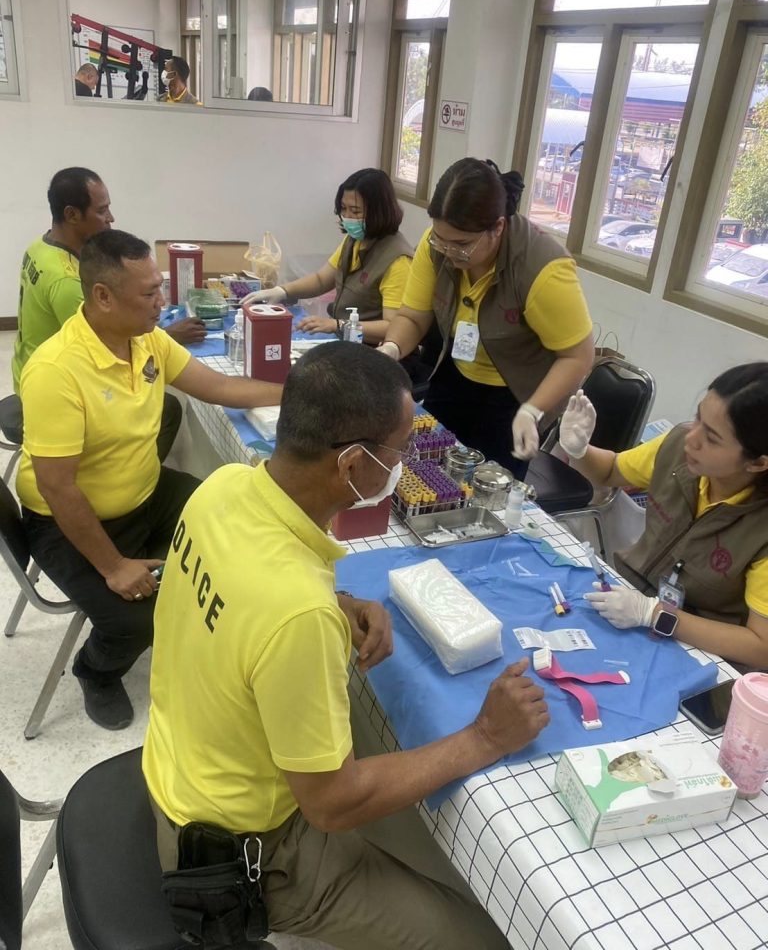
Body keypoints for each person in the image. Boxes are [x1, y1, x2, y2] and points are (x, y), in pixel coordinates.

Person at [143, 341, 548, 950]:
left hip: (178, 770)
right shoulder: (296, 614)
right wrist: (485, 736)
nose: (404, 462)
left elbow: (244, 592)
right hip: (240, 858)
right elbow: (331, 805)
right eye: (400, 449)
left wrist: (339, 603)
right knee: (481, 937)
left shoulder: (224, 486)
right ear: (354, 464)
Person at [17, 230, 283, 730]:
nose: (162, 301)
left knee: (226, 511)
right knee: (134, 619)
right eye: (150, 293)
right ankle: (96, 671)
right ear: (103, 296)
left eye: (160, 287)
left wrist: (297, 394)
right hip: (67, 521)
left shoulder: (146, 340)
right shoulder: (56, 370)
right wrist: (114, 565)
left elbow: (218, 386)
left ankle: (209, 625)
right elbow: (58, 487)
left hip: (143, 493)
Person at [379, 158, 594, 478]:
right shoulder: (436, 245)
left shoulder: (543, 268)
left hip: (515, 394)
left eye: (462, 244)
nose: (448, 251)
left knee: (486, 486)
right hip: (456, 371)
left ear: (498, 227)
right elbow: (413, 316)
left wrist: (532, 410)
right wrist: (391, 349)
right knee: (423, 466)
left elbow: (578, 356)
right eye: (440, 238)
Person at [559, 363, 768, 669]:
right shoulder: (678, 447)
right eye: (698, 418)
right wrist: (579, 450)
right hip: (626, 601)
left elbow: (760, 647)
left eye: (712, 438)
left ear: (758, 463)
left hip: (696, 650)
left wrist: (654, 613)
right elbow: (611, 471)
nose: (691, 439)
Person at [10, 167, 206, 448]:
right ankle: (134, 468)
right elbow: (107, 344)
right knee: (165, 407)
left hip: (22, 368)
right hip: (45, 389)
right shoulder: (67, 282)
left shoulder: (40, 246)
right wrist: (172, 335)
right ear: (72, 215)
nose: (111, 218)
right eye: (102, 211)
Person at [244, 168, 412, 346]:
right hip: (346, 341)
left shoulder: (397, 260)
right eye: (344, 209)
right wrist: (282, 291)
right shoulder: (355, 240)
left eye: (355, 211)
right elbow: (321, 279)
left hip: (373, 350)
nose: (347, 217)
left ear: (379, 211)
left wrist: (337, 325)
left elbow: (393, 328)